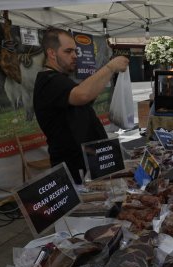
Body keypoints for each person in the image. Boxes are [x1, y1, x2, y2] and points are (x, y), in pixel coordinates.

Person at [33, 28, 129, 184]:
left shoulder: (61, 79)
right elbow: (82, 95)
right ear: (51, 53)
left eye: (75, 51)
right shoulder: (49, 81)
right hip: (74, 168)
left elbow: (84, 99)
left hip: (90, 162)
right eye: (68, 51)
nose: (75, 56)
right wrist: (110, 67)